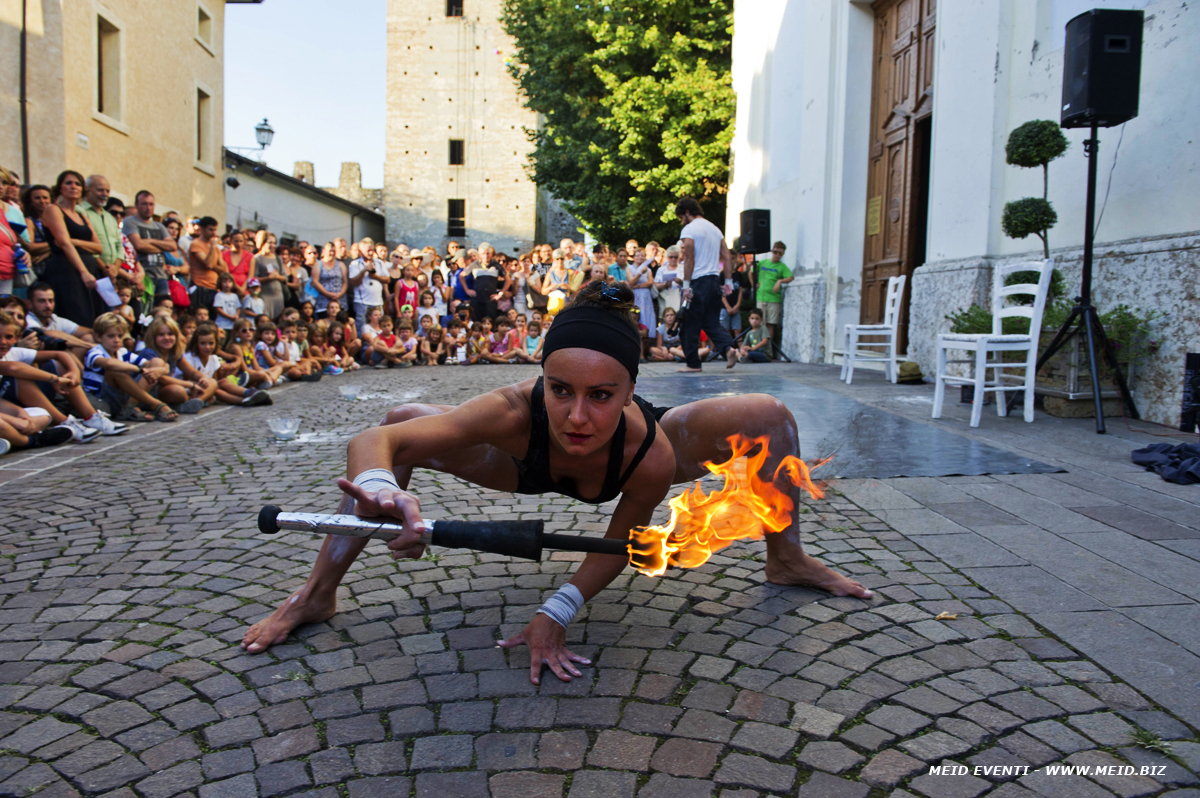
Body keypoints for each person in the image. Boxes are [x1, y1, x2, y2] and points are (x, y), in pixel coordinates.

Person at [241, 281, 871, 676]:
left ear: (630, 390)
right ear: (540, 381)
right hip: (519, 463)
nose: (577, 416)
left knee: (768, 414)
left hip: (619, 464)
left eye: (601, 395)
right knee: (404, 420)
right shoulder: (512, 411)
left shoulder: (650, 454)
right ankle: (317, 594)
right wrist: (382, 486)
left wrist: (558, 609)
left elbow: (621, 545)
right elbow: (374, 440)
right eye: (560, 389)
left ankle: (786, 559)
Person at [675, 197, 737, 372]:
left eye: (681, 217)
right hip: (714, 281)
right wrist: (728, 282)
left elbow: (689, 258)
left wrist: (686, 286)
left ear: (687, 212)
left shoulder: (689, 229)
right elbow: (727, 256)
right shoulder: (715, 229)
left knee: (689, 324)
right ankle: (728, 348)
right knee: (711, 323)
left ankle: (693, 364)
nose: (682, 222)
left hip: (698, 282)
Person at [40, 171, 105, 326]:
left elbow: (99, 248)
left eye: (77, 184)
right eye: (68, 183)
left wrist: (77, 242)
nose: (73, 187)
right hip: (67, 270)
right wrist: (84, 272)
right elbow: (64, 243)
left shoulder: (81, 216)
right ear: (60, 188)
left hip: (88, 269)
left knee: (93, 319)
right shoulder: (53, 209)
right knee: (76, 317)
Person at [121, 191, 177, 296]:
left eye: (151, 204)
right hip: (142, 275)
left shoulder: (159, 226)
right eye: (144, 204)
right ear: (136, 205)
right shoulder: (130, 222)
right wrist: (163, 247)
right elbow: (138, 245)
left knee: (162, 306)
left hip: (161, 276)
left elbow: (173, 246)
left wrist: (150, 241)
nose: (148, 208)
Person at [79, 176, 123, 280]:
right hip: (91, 270)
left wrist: (115, 268)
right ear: (87, 190)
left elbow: (119, 245)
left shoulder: (109, 217)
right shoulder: (80, 212)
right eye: (100, 190)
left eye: (107, 191)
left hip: (111, 273)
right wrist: (105, 269)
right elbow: (84, 244)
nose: (105, 194)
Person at [754, 241, 792, 342]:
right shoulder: (763, 262)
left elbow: (790, 277)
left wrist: (780, 281)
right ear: (772, 251)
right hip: (761, 297)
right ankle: (758, 345)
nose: (778, 255)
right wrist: (754, 283)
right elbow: (751, 271)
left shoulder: (782, 266)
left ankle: (768, 346)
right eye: (776, 252)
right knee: (759, 323)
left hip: (774, 299)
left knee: (771, 324)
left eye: (781, 253)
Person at [348, 237, 389, 329]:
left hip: (377, 302)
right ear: (361, 251)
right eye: (368, 250)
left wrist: (375, 277)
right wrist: (364, 270)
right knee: (362, 327)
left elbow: (387, 279)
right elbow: (354, 282)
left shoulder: (379, 263)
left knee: (379, 326)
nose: (371, 253)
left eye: (372, 250)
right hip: (362, 303)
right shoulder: (355, 264)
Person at [253, 231, 287, 321]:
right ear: (263, 242)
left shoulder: (278, 258)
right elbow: (254, 279)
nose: (272, 245)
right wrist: (268, 278)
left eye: (274, 243)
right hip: (264, 295)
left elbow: (285, 277)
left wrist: (277, 276)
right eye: (269, 242)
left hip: (278, 295)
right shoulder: (257, 258)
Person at [312, 243, 346, 319]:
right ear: (323, 251)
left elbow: (345, 282)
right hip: (323, 301)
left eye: (334, 251)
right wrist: (328, 294)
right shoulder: (318, 264)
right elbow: (315, 281)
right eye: (330, 251)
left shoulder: (341, 264)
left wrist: (340, 294)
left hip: (339, 300)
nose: (332, 253)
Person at [626, 248, 656, 332]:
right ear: (634, 257)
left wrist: (638, 286)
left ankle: (647, 333)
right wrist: (640, 273)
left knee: (646, 314)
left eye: (642, 255)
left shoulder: (648, 269)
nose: (640, 257)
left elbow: (650, 282)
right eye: (638, 255)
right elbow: (631, 282)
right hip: (635, 295)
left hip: (645, 295)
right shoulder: (629, 268)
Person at [222, 230, 254, 298]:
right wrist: (239, 289)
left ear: (244, 242)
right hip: (229, 290)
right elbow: (226, 274)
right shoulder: (224, 255)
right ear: (230, 241)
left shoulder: (250, 256)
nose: (238, 244)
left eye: (241, 241)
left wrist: (243, 289)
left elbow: (250, 275)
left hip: (245, 292)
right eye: (236, 241)